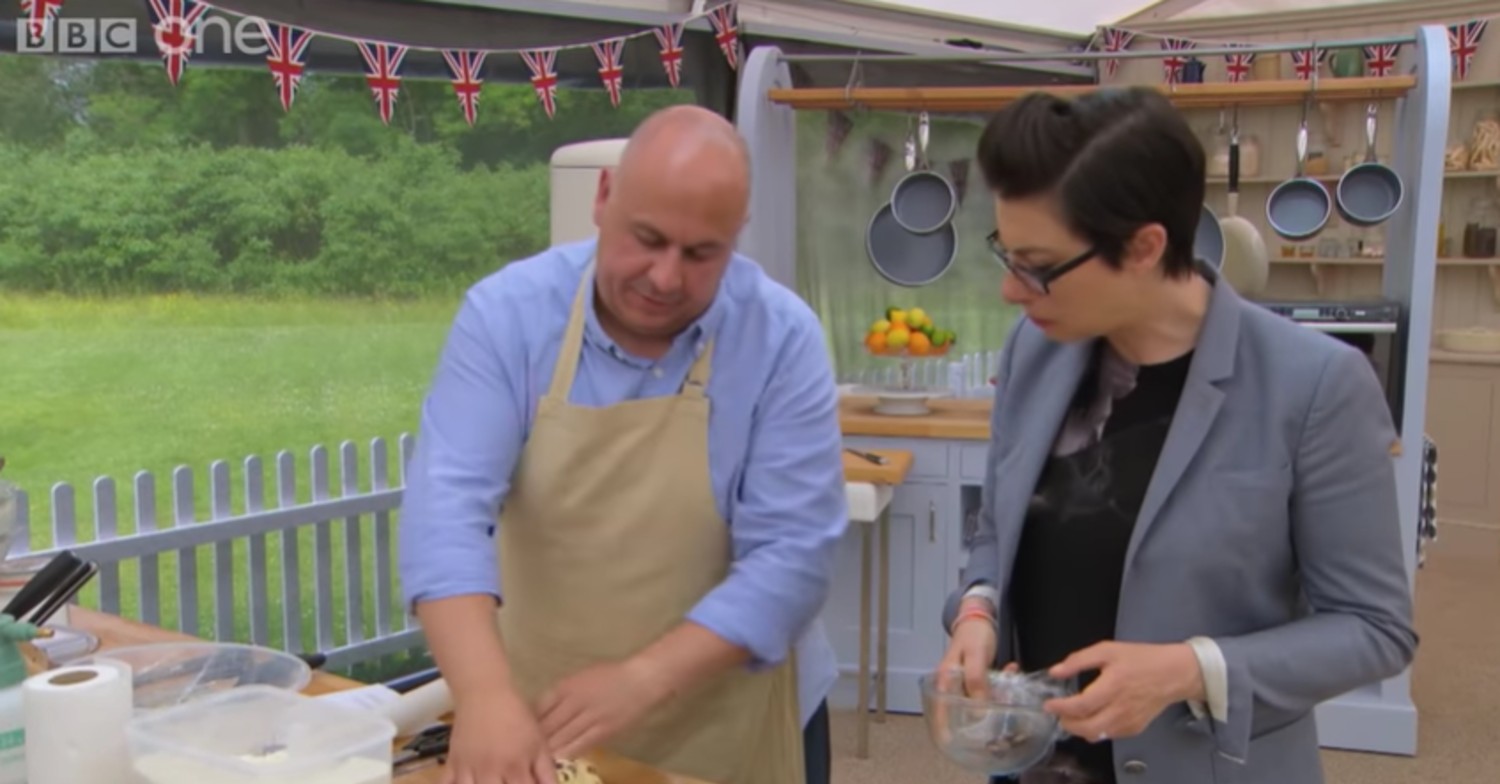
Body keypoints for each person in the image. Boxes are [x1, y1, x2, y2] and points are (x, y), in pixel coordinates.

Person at [937, 87, 1418, 784]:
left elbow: (1375, 629)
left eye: (1038, 266)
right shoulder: (1034, 351)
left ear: (1144, 246)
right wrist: (977, 609)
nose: (1013, 292)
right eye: (1005, 256)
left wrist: (1190, 669)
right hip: (1039, 765)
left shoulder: (1315, 384)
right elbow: (996, 531)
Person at [397, 105, 847, 784]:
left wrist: (645, 677)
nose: (666, 278)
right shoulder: (507, 317)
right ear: (603, 199)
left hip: (726, 725)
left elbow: (792, 557)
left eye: (701, 254)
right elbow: (446, 512)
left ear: (737, 237)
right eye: (648, 239)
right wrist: (486, 699)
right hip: (538, 726)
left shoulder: (782, 339)